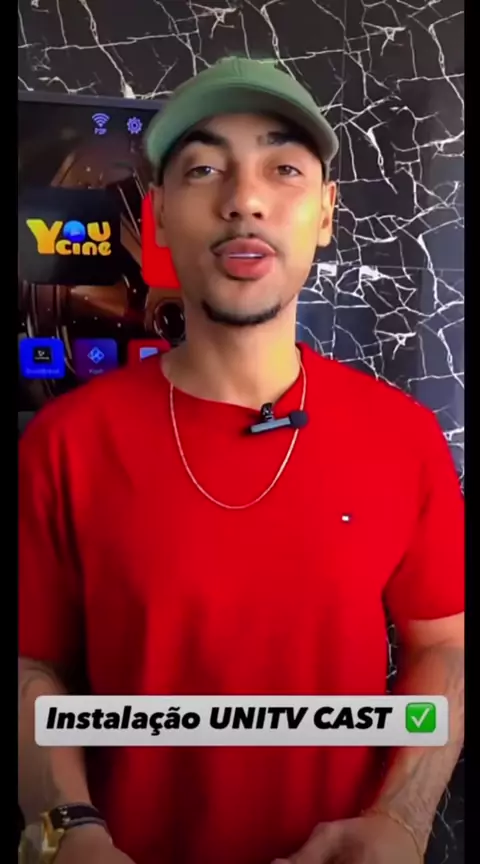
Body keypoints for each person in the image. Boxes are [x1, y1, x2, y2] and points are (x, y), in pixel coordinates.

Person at [19, 57, 464, 864]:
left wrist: (403, 820)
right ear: (158, 216)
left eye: (283, 169)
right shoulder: (65, 443)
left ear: (325, 213)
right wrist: (65, 828)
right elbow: (32, 662)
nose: (244, 200)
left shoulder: (404, 438)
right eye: (203, 170)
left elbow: (445, 647)